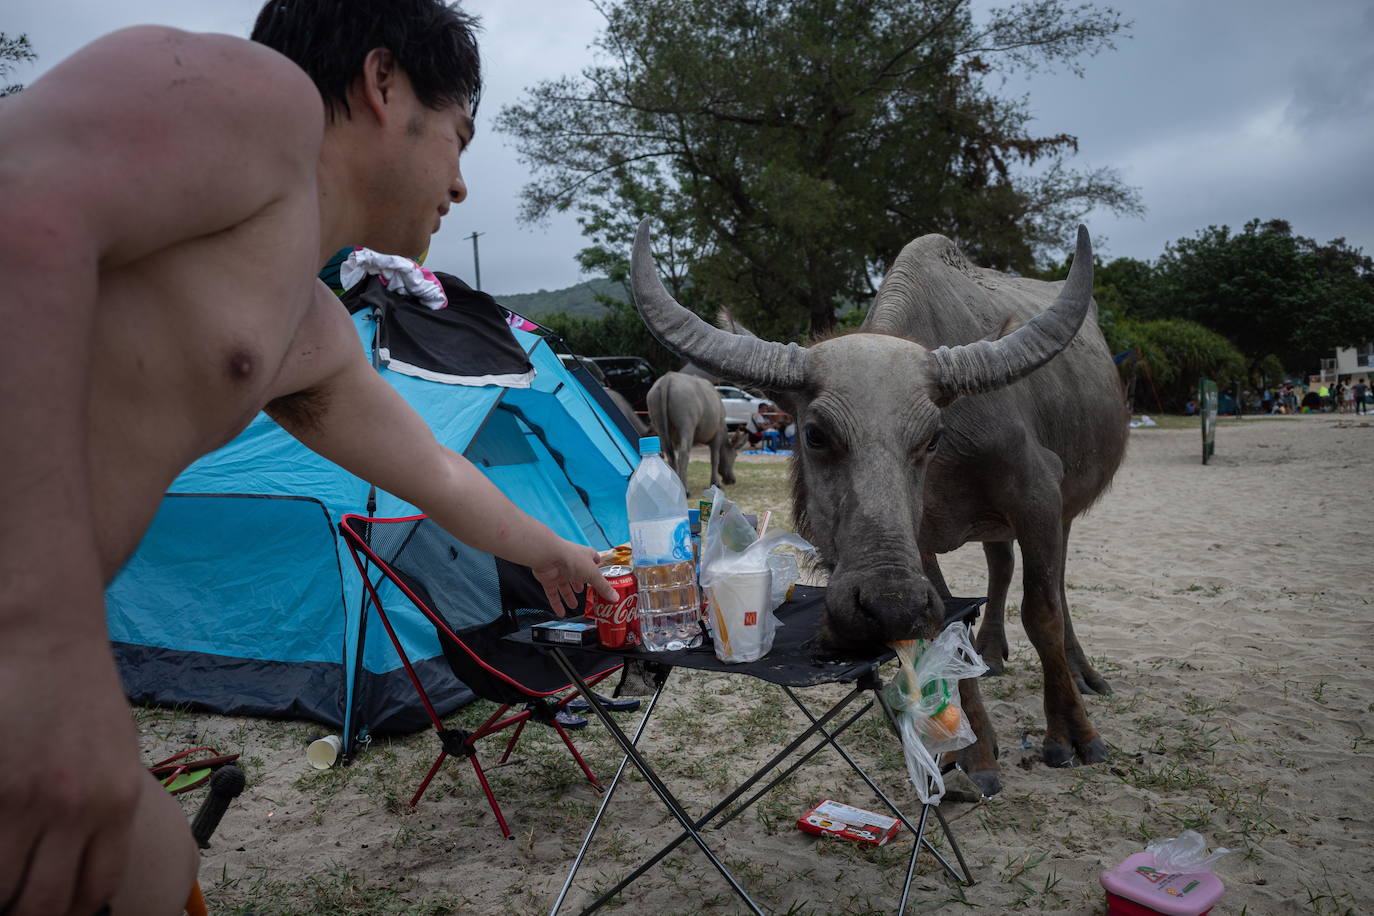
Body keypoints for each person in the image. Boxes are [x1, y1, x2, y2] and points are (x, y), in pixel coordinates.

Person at [0, 5, 616, 915]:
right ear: (382, 84)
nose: (459, 185)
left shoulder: (305, 324)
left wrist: (553, 552)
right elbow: (18, 213)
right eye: (458, 138)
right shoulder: (254, 99)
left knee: (146, 865)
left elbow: (437, 473)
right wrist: (45, 649)